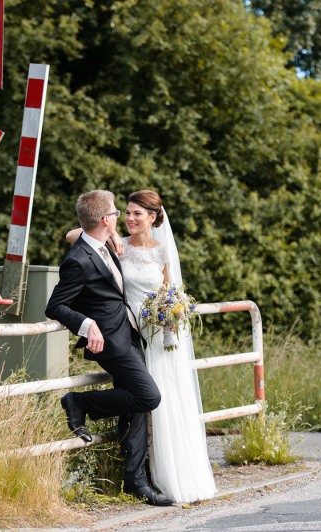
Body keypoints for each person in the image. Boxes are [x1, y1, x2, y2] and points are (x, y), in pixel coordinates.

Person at [65, 190, 216, 504]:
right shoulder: (114, 241)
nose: (131, 218)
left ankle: (148, 478)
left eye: (137, 214)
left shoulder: (161, 252)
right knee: (144, 397)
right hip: (125, 336)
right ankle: (135, 477)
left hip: (155, 339)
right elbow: (74, 234)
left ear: (154, 218)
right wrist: (112, 236)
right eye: (127, 213)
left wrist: (172, 316)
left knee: (147, 404)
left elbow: (169, 292)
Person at [45, 190, 175, 507]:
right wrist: (86, 324)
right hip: (110, 341)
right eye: (117, 213)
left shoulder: (107, 245)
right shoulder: (78, 259)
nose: (122, 218)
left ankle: (135, 482)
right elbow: (55, 306)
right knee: (149, 396)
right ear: (106, 219)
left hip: (130, 333)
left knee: (136, 406)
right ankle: (79, 402)